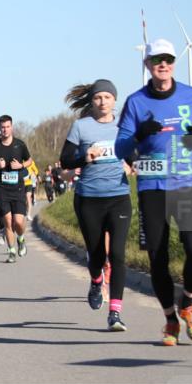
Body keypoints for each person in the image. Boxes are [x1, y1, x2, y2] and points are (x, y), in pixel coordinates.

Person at [115, 39, 192, 346]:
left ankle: (187, 302)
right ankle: (171, 319)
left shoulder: (190, 94)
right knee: (159, 258)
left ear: (174, 62)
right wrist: (138, 136)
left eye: (168, 59)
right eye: (157, 59)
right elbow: (121, 146)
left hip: (187, 182)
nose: (163, 64)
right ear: (147, 65)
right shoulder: (135, 102)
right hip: (152, 184)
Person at [59, 79, 132, 331]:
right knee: (97, 255)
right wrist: (84, 157)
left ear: (114, 100)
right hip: (89, 199)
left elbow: (134, 154)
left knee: (118, 255)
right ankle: (95, 279)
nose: (103, 102)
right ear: (92, 101)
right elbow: (65, 160)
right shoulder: (81, 127)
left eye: (107, 98)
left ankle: (115, 313)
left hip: (119, 197)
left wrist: (132, 164)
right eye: (98, 98)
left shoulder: (124, 125)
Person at [0, 115, 33, 263]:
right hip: (2, 189)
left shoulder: (20, 145)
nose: (5, 129)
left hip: (18, 189)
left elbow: (30, 160)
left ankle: (21, 238)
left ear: (12, 127)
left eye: (7, 127)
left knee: (18, 222)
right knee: (7, 221)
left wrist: (21, 166)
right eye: (2, 127)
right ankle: (11, 251)